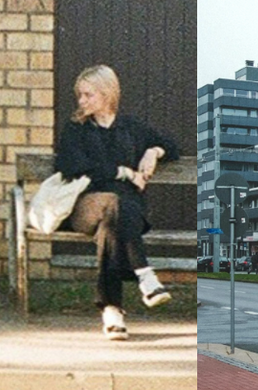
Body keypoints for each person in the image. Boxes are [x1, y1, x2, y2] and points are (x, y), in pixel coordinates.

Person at [55, 65, 178, 341]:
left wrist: (153, 151)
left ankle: (112, 310)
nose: (82, 101)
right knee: (113, 204)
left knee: (112, 224)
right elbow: (71, 166)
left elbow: (173, 145)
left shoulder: (131, 128)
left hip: (124, 212)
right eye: (80, 95)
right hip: (86, 206)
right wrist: (123, 172)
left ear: (107, 94)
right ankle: (145, 275)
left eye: (88, 95)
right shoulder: (77, 129)